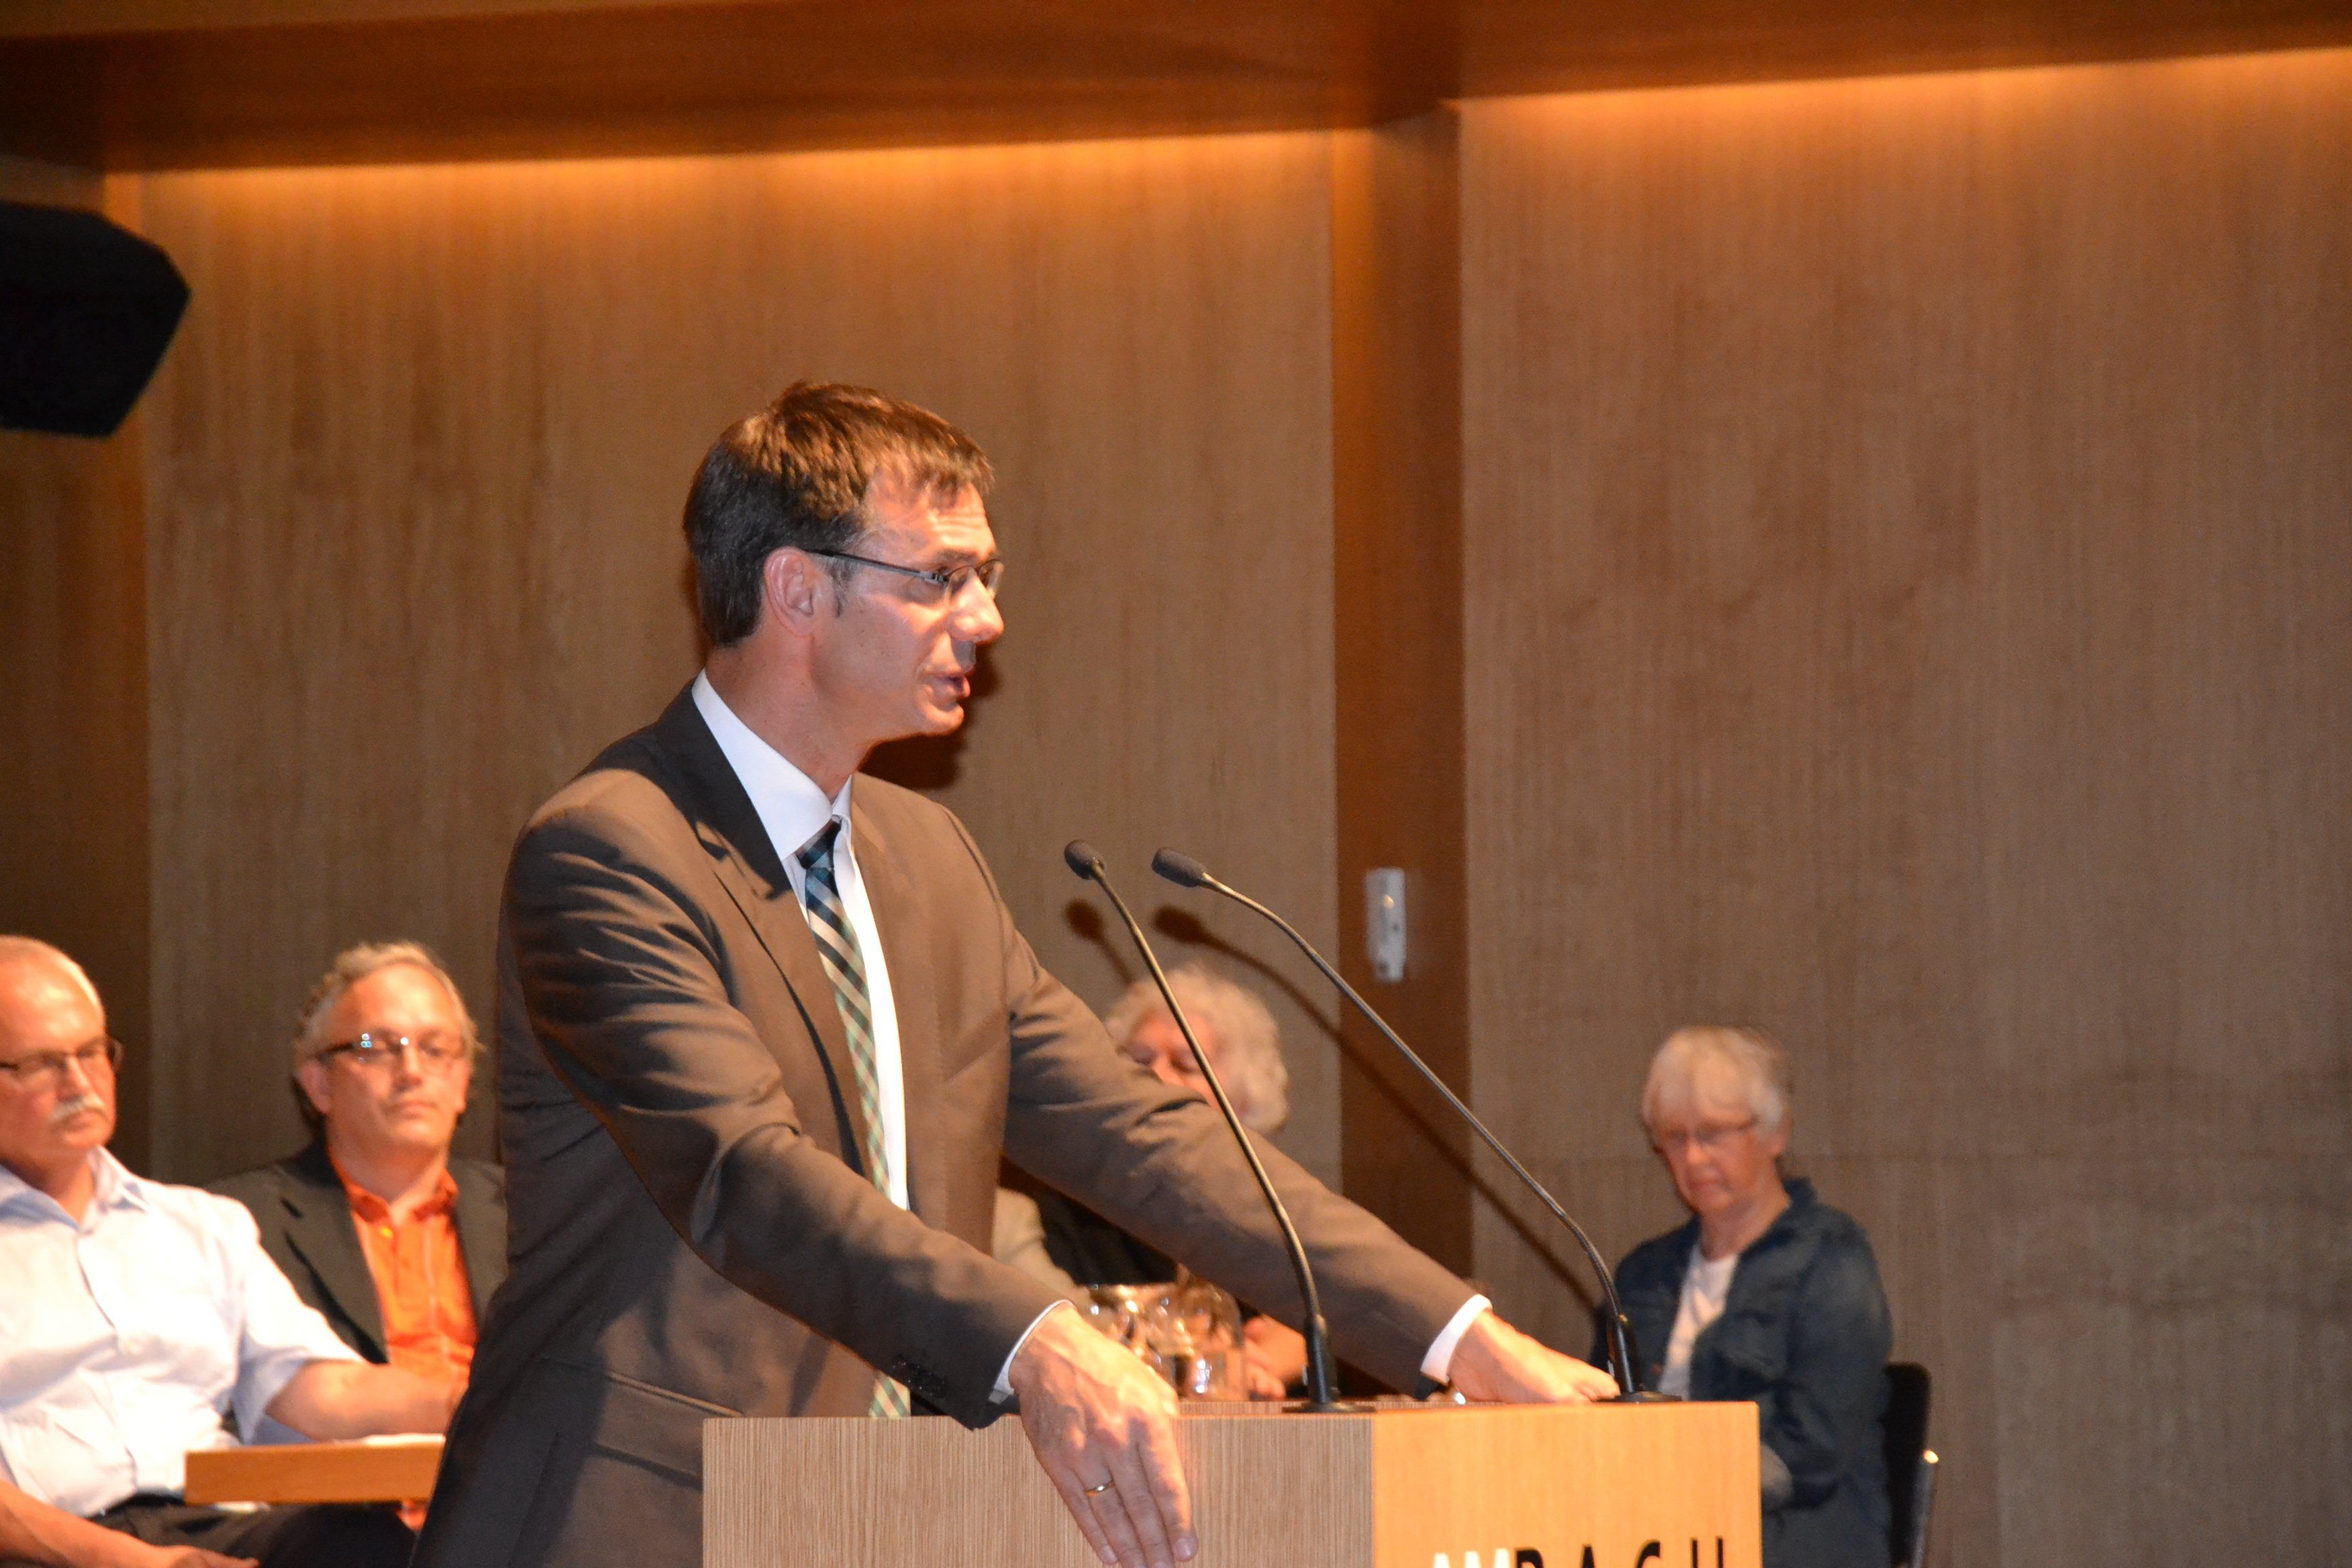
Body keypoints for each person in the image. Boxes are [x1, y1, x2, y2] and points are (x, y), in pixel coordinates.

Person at [412, 382, 1616, 1568]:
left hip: (886, 1517)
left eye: (986, 575)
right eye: (942, 576)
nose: (986, 617)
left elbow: (1139, 1134)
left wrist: (1457, 1335)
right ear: (797, 589)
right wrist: (1034, 1335)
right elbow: (747, 1175)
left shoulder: (928, 859)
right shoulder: (612, 847)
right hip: (643, 1516)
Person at [0, 937, 457, 1568]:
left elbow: (321, 1389)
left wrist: (464, 1402)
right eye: (42, 1063)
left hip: (212, 1524)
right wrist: (132, 1563)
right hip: (52, 1545)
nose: (80, 1083)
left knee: (364, 1542)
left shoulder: (199, 1225)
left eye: (91, 1052)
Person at [1598, 1026, 1893, 1568]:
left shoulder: (1831, 1258)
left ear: (1776, 1133)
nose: (1693, 1158)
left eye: (1713, 1134)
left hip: (1790, 1541)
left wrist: (1687, 1490)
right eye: (1675, 1137)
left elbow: (1813, 1449)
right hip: (1651, 1537)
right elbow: (1596, 1417)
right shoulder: (1642, 1275)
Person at [211, 944, 505, 1459]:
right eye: (375, 1047)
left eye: (436, 1048)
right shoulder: (236, 1225)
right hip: (344, 1498)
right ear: (319, 1084)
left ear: (462, 1081)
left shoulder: (533, 1214)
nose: (411, 1070)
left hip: (516, 1485)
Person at [994, 965, 1311, 1396]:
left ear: (1241, 1103)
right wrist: (1209, 1362)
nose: (1156, 1078)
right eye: (1138, 1063)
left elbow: (1319, 1331)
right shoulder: (1057, 1221)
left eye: (1185, 1064)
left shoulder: (1272, 1221)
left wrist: (1273, 1357)